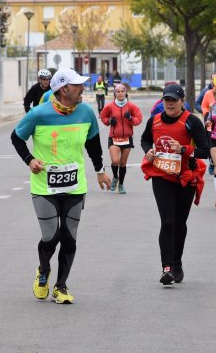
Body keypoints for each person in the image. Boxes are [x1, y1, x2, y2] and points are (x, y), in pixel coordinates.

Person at [10, 68, 111, 304]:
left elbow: (93, 144)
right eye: (78, 86)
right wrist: (30, 159)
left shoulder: (86, 112)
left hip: (75, 185)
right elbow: (16, 137)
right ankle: (43, 270)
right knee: (50, 235)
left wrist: (100, 171)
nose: (83, 89)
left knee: (69, 237)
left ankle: (61, 286)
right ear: (64, 89)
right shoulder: (38, 114)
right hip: (45, 186)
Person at [140, 84, 210, 285]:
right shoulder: (154, 121)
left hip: (185, 178)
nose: (169, 104)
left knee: (179, 223)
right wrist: (148, 150)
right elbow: (145, 140)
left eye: (174, 100)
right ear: (162, 101)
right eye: (166, 100)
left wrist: (184, 149)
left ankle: (177, 261)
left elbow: (205, 150)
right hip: (161, 176)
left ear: (182, 101)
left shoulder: (191, 121)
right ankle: (167, 267)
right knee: (167, 221)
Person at [100, 83, 143, 193]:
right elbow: (103, 116)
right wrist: (109, 121)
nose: (120, 93)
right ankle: (115, 176)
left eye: (122, 91)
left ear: (125, 93)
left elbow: (139, 119)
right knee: (115, 161)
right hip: (114, 137)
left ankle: (121, 185)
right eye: (118, 91)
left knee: (123, 163)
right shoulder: (110, 106)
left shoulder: (131, 106)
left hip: (127, 138)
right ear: (115, 93)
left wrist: (130, 118)